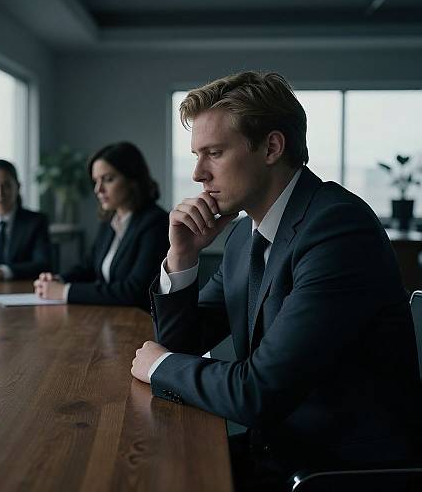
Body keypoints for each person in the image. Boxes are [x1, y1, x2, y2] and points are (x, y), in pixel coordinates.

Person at [130, 72, 422, 489]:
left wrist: (158, 365)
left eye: (213, 153)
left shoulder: (337, 228)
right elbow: (183, 346)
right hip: (277, 452)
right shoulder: (242, 238)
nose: (198, 174)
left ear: (271, 147)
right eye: (197, 155)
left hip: (336, 471)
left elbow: (256, 392)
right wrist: (182, 256)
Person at [34, 142, 169, 310]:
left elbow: (135, 291)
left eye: (108, 179)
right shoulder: (109, 222)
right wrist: (58, 280)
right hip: (110, 316)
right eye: (96, 181)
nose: (98, 189)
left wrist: (64, 291)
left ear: (132, 179)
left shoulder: (156, 223)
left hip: (140, 323)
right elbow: (88, 268)